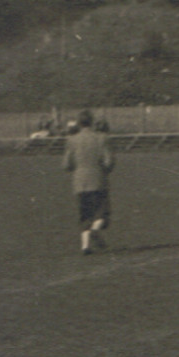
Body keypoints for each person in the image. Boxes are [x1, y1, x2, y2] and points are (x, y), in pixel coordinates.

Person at [63, 108, 114, 254]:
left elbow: (66, 164)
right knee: (102, 213)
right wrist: (104, 171)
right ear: (92, 122)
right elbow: (109, 162)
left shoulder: (71, 140)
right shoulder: (102, 138)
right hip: (98, 179)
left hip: (79, 182)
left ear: (79, 123)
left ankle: (85, 246)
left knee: (84, 214)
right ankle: (95, 230)